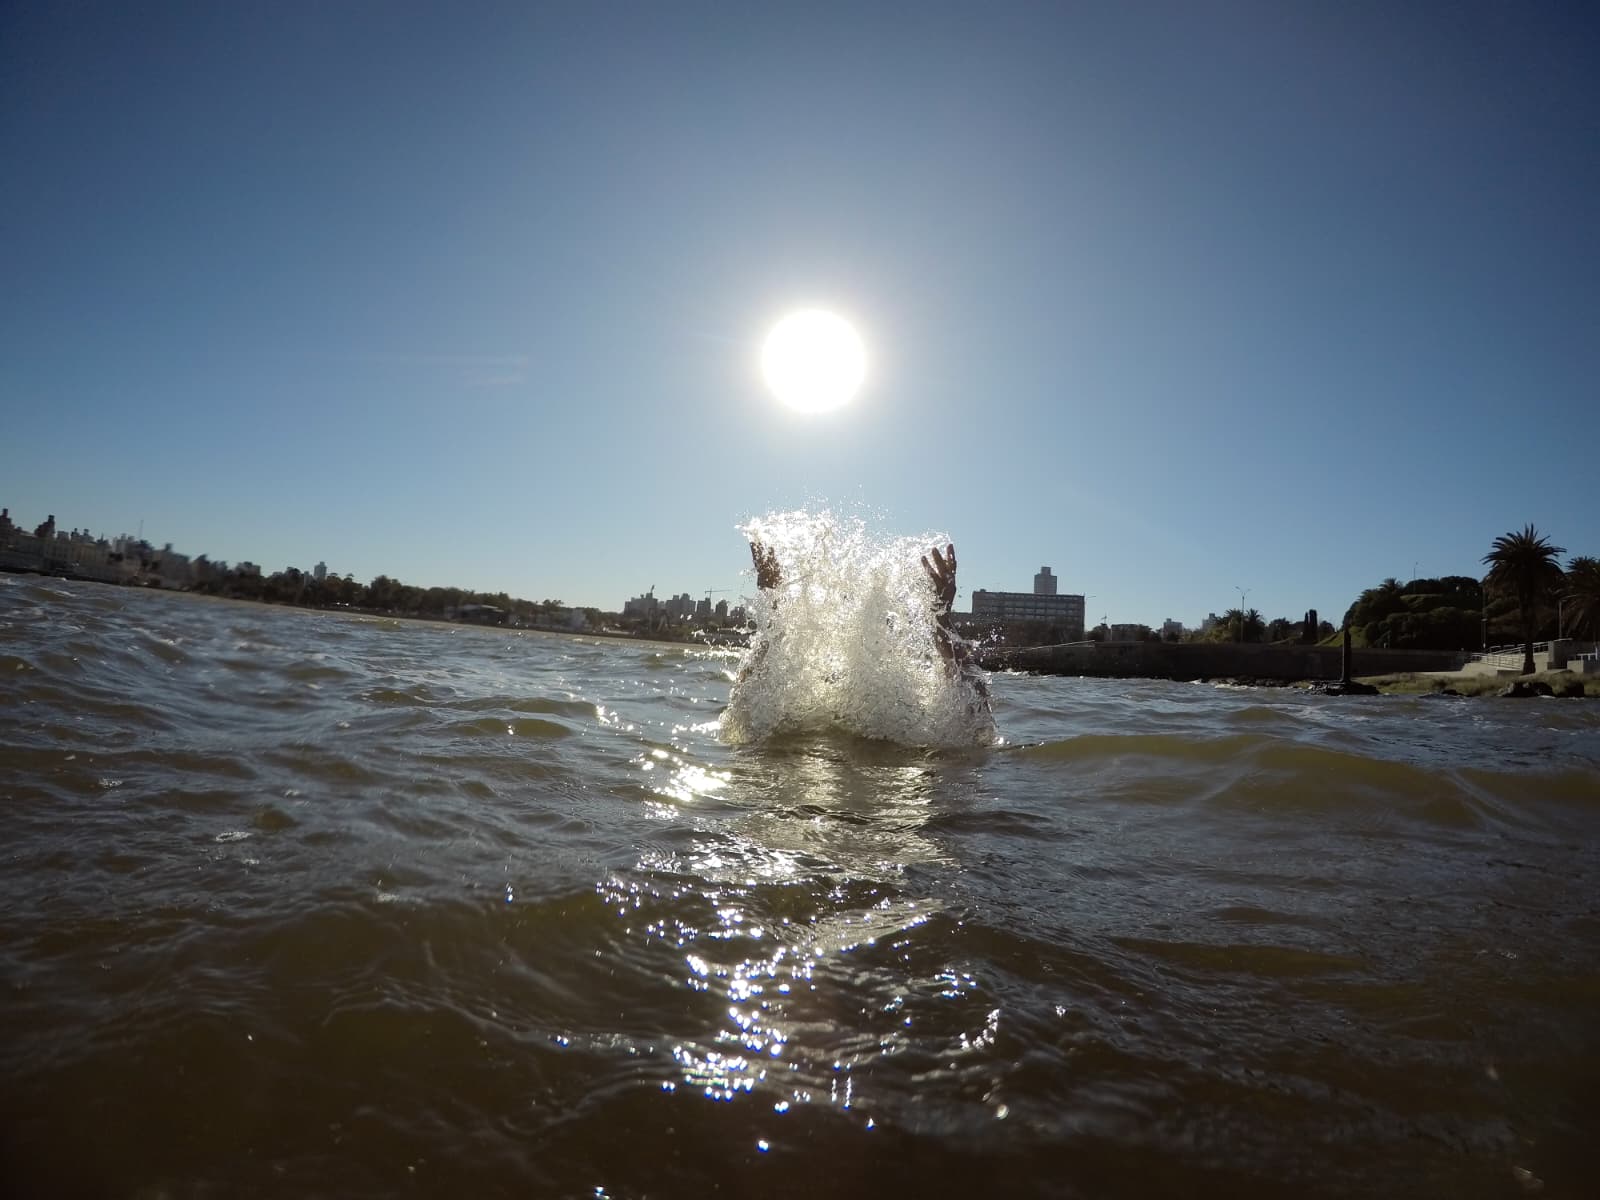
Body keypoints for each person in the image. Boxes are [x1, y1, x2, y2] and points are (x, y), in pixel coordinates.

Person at [741, 538, 989, 707]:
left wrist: (940, 617)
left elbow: (974, 703)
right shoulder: (811, 698)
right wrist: (772, 602)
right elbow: (747, 699)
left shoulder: (906, 700)